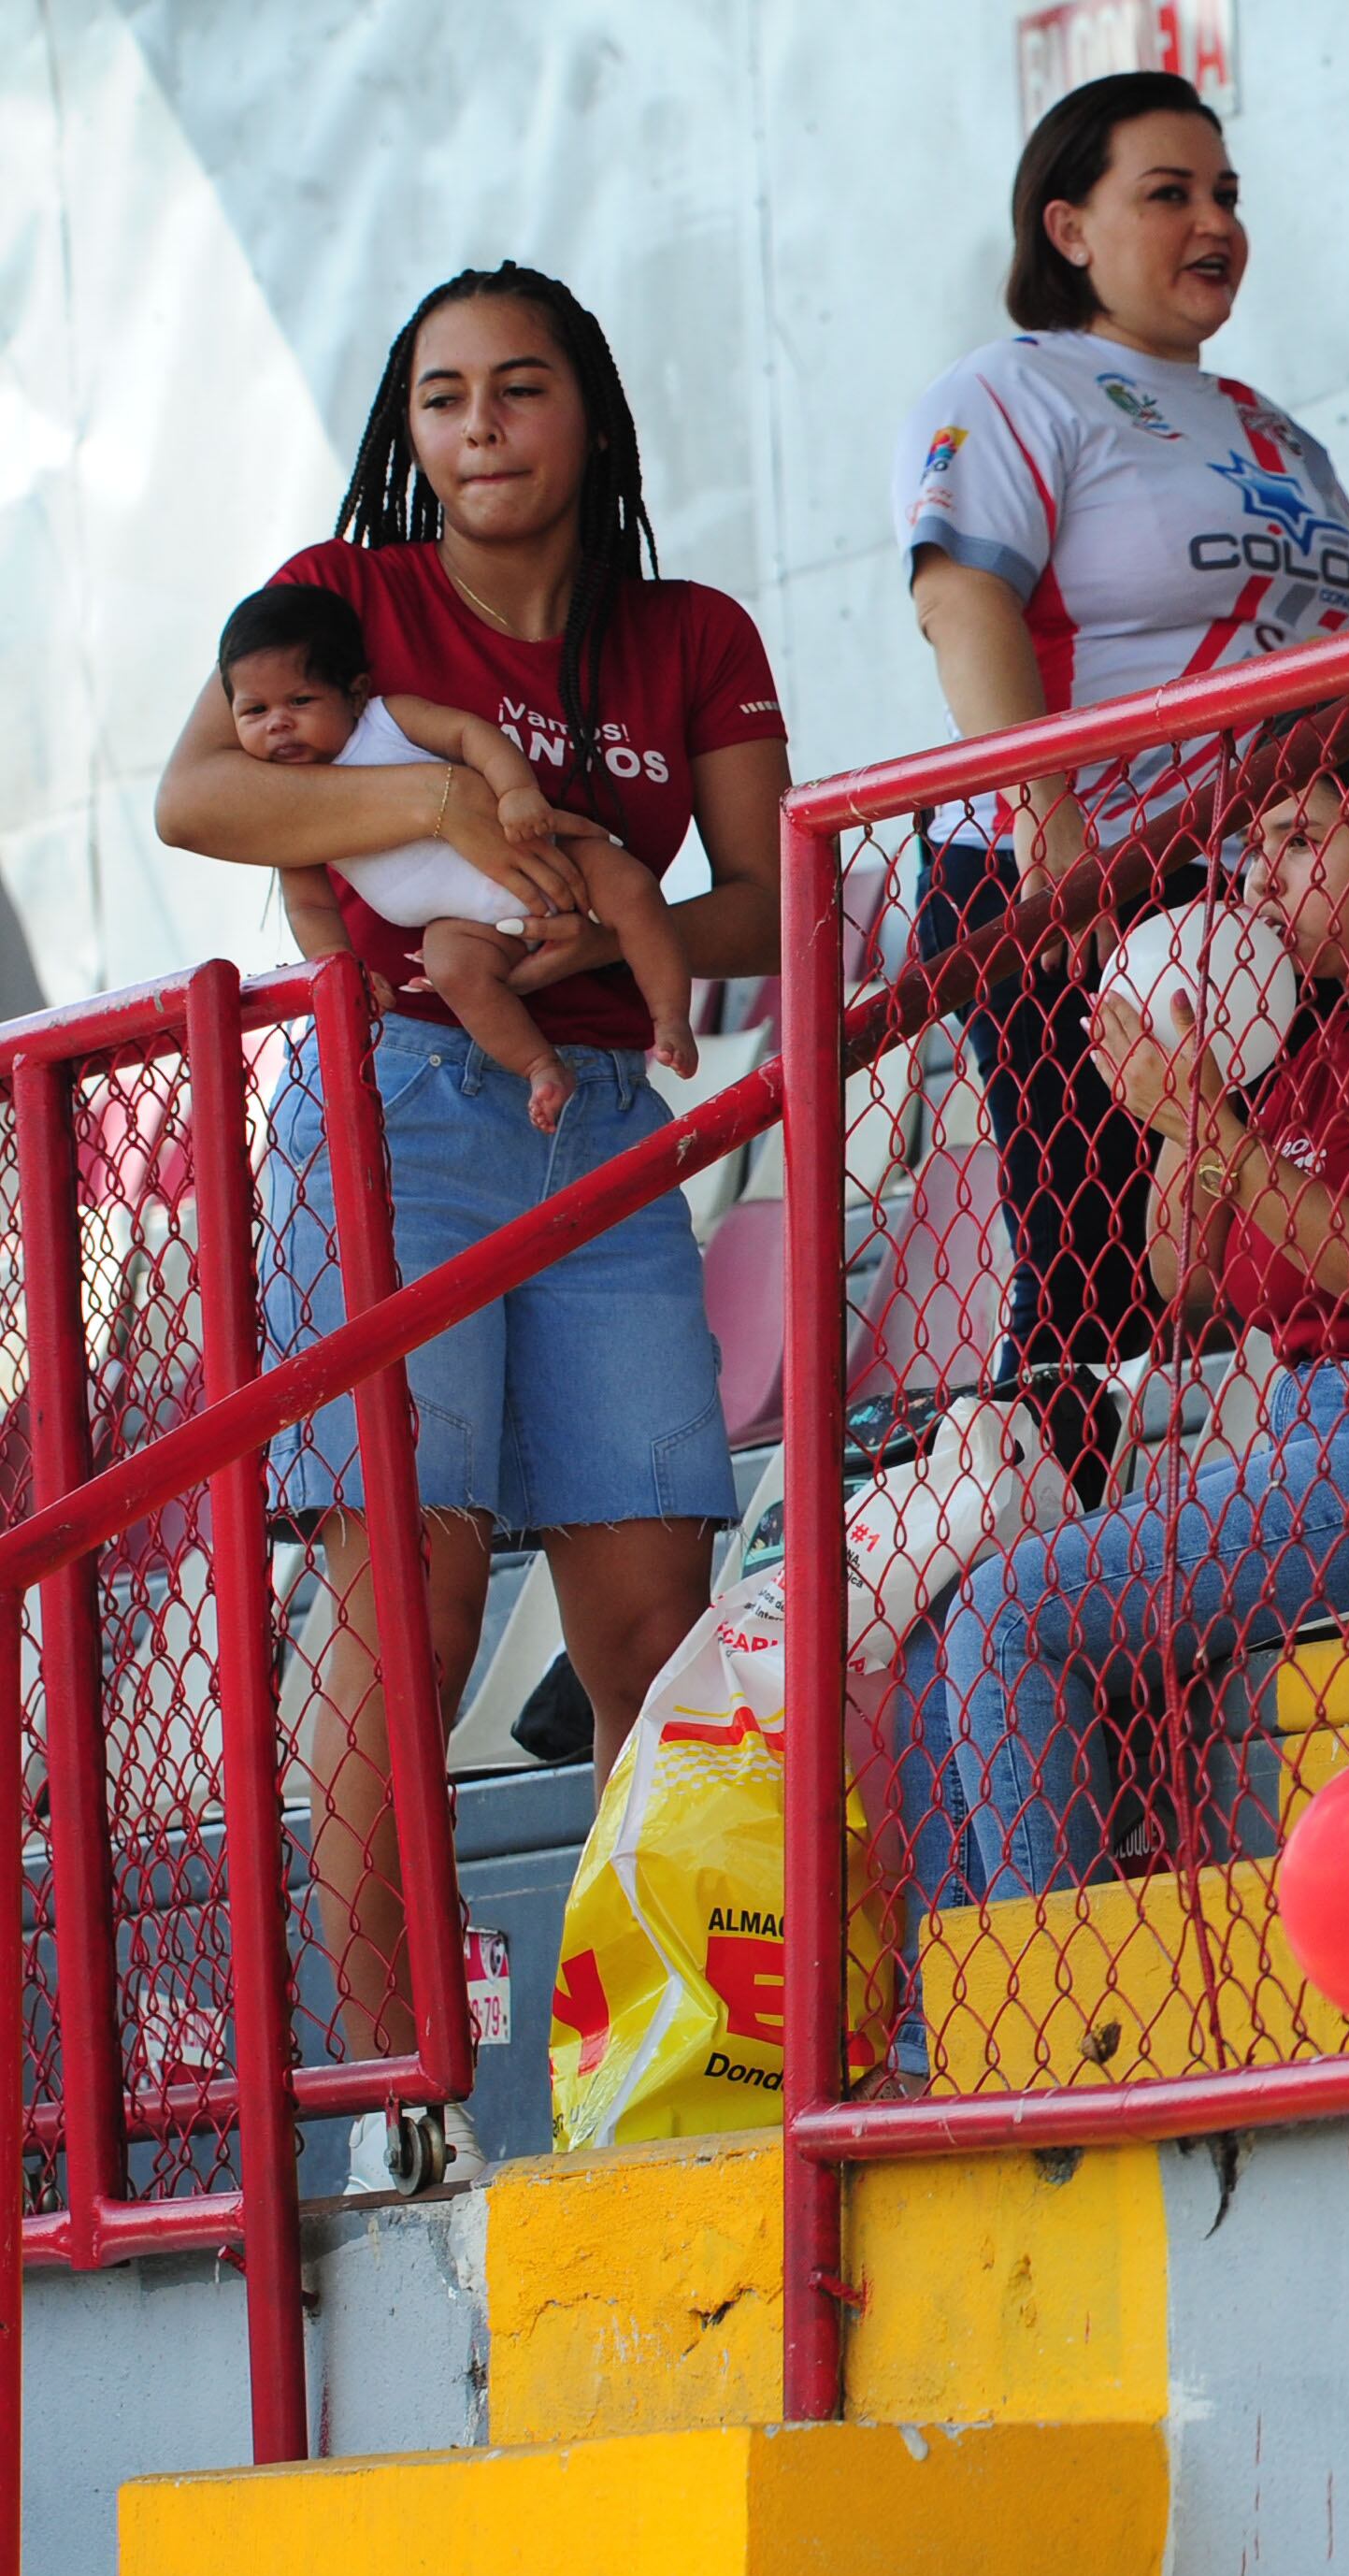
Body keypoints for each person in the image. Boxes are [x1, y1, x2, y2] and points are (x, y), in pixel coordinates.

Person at [152, 264, 791, 2182]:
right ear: (409, 434)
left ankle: (652, 2079)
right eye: (441, 398)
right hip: (407, 1103)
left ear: (588, 411)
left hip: (600, 1116)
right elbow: (199, 797)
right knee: (404, 1604)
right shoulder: (344, 600)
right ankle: (388, 2093)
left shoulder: (693, 632)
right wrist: (441, 789)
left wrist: (611, 928)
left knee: (648, 1618)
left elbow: (768, 893)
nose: (479, 427)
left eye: (519, 389)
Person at [899, 69, 1349, 1369]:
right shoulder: (1010, 389)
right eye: (1168, 195)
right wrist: (1052, 825)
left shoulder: (1273, 428)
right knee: (1107, 1284)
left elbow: (1328, 629)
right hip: (1092, 882)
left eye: (1226, 194)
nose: (1213, 221)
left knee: (1339, 1234)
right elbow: (962, 601)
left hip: (1280, 885)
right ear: (1068, 229)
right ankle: (1081, 1541)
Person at [909, 726, 1349, 1930]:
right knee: (952, 1613)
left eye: (1302, 841)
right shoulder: (1297, 1056)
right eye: (1252, 849)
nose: (1261, 881)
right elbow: (1180, 1276)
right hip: (1310, 1442)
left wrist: (1219, 1132)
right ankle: (970, 2021)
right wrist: (1187, 1102)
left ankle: (1060, 2019)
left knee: (1010, 1611)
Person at [222, 582, 698, 1135]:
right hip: (467, 925)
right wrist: (343, 968)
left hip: (549, 856)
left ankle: (669, 1019)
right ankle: (541, 1067)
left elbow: (472, 735)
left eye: (299, 702)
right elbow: (309, 906)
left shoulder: (386, 720)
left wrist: (516, 790)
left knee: (632, 888)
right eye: (253, 711)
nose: (277, 722)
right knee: (451, 968)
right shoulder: (283, 806)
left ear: (354, 694)